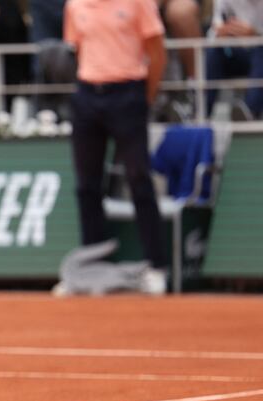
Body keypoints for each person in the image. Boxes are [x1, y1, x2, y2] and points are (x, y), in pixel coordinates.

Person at [62, 0, 169, 295]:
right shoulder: (74, 5)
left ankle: (156, 267)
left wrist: (144, 97)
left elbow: (157, 54)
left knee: (139, 180)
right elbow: (79, 49)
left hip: (129, 93)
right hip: (87, 96)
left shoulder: (140, 2)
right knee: (87, 186)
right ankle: (90, 272)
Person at [205, 0, 263, 119]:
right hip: (235, 53)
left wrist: (256, 35)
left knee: (260, 51)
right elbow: (212, 35)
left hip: (259, 56)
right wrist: (221, 34)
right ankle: (201, 111)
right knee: (214, 51)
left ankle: (250, 112)